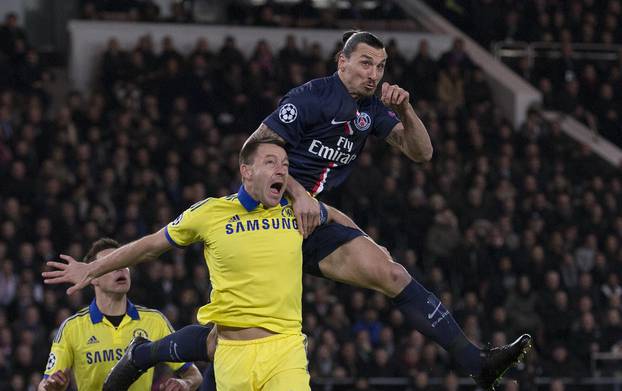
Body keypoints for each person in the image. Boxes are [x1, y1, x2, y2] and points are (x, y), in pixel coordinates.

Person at [244, 30, 531, 389]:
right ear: (342, 62)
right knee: (239, 332)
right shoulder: (310, 98)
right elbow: (254, 149)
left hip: (307, 221)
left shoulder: (372, 110)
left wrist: (406, 110)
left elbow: (422, 153)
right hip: (259, 220)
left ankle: (478, 362)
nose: (373, 74)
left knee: (391, 273)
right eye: (366, 63)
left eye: (380, 66)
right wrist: (298, 193)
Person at [43, 139, 352, 391]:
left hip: (286, 348)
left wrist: (373, 247)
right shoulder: (210, 213)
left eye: (285, 165)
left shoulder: (294, 212)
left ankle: (144, 354)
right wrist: (91, 269)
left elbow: (338, 220)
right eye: (271, 162)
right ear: (246, 171)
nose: (281, 171)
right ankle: (143, 354)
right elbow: (150, 245)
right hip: (232, 352)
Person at [38, 238, 202, 391]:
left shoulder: (154, 321)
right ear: (92, 278)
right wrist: (52, 387)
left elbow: (193, 374)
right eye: (109, 265)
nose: (120, 268)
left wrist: (184, 383)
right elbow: (45, 383)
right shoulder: (72, 328)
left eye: (124, 262)